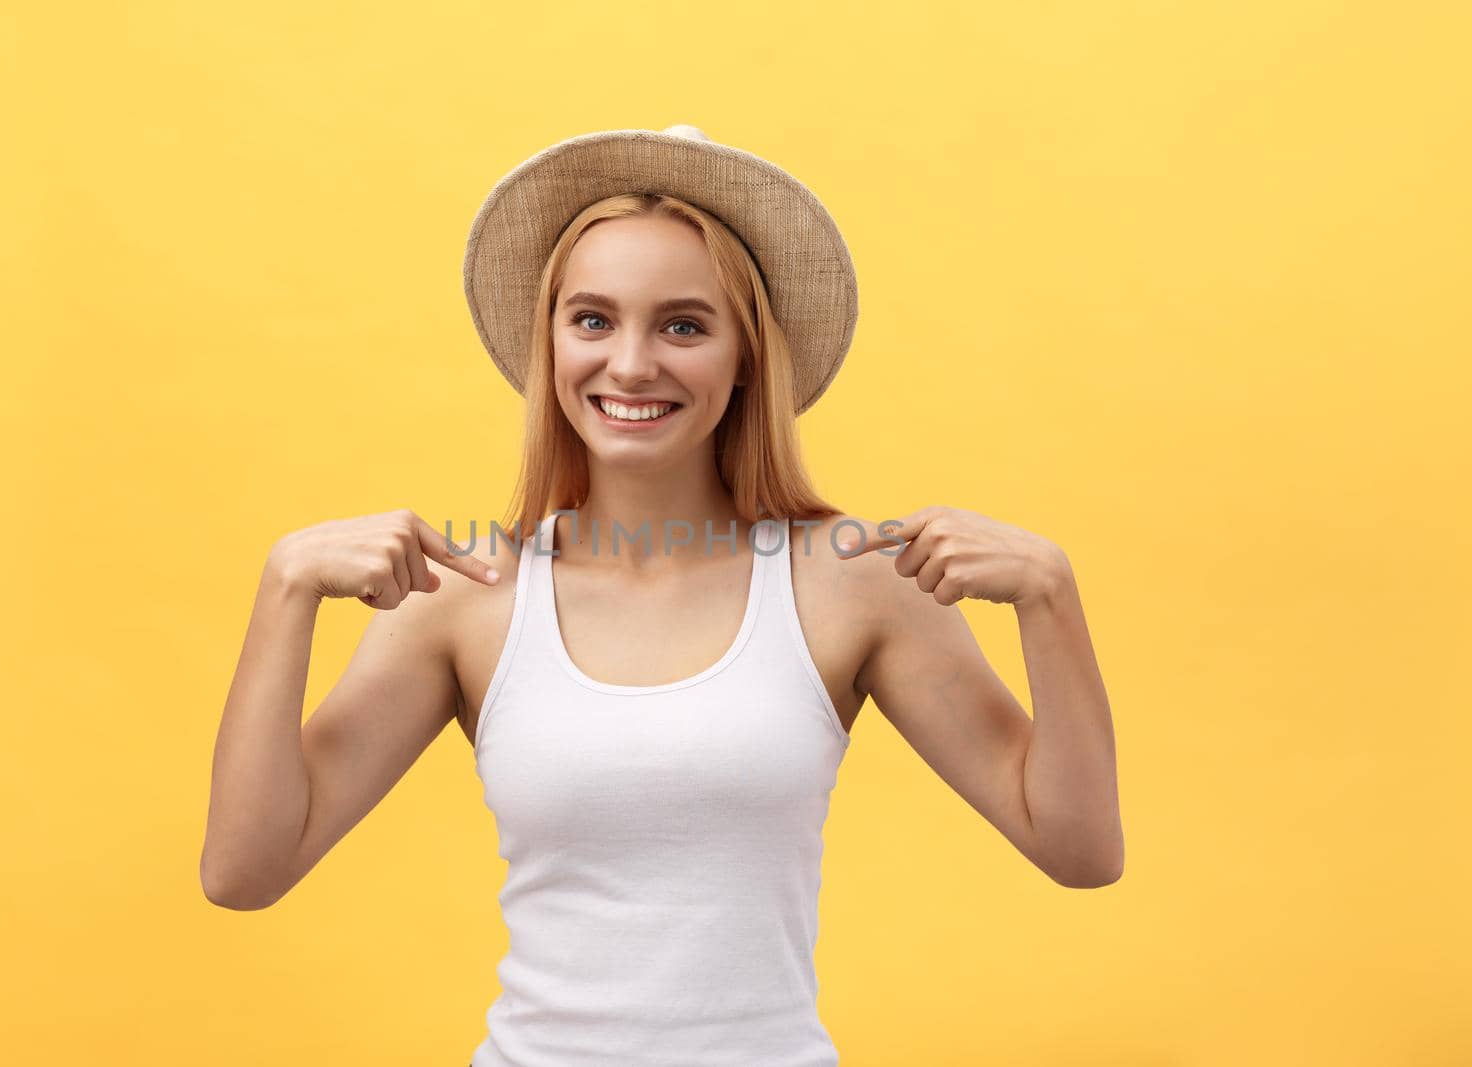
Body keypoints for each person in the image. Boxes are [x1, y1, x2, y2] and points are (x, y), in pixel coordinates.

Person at [200, 125, 1124, 1067]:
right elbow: (244, 871)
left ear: (746, 356)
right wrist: (285, 591)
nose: (632, 364)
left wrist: (1051, 596)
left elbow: (1080, 850)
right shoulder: (468, 593)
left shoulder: (851, 584)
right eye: (593, 320)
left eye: (683, 324)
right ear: (549, 342)